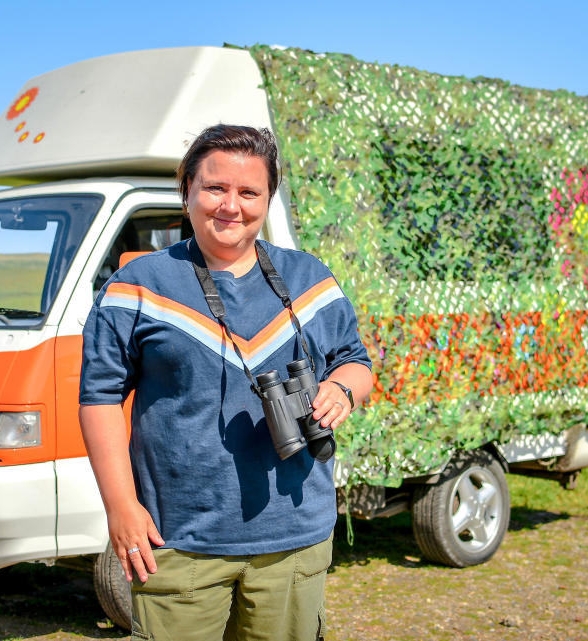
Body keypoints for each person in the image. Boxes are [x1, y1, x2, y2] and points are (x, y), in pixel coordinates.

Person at [79, 124, 373, 641]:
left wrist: (343, 389)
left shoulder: (310, 279)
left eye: (248, 192)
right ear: (186, 190)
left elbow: (355, 361)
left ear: (267, 198)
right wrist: (121, 506)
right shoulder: (137, 286)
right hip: (180, 542)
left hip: (294, 539)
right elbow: (99, 397)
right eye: (215, 187)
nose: (230, 206)